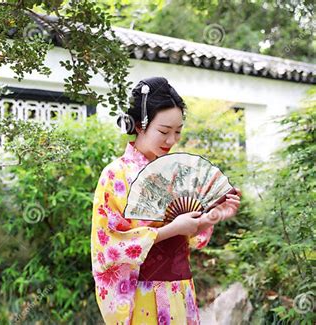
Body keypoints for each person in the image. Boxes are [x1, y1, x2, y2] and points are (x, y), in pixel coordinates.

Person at [90, 77, 241, 324]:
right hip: (142, 295)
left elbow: (188, 233)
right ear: (139, 125)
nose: (171, 141)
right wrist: (171, 230)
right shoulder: (115, 174)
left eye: (178, 132)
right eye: (164, 131)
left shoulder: (174, 173)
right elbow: (108, 246)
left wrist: (215, 215)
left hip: (180, 290)